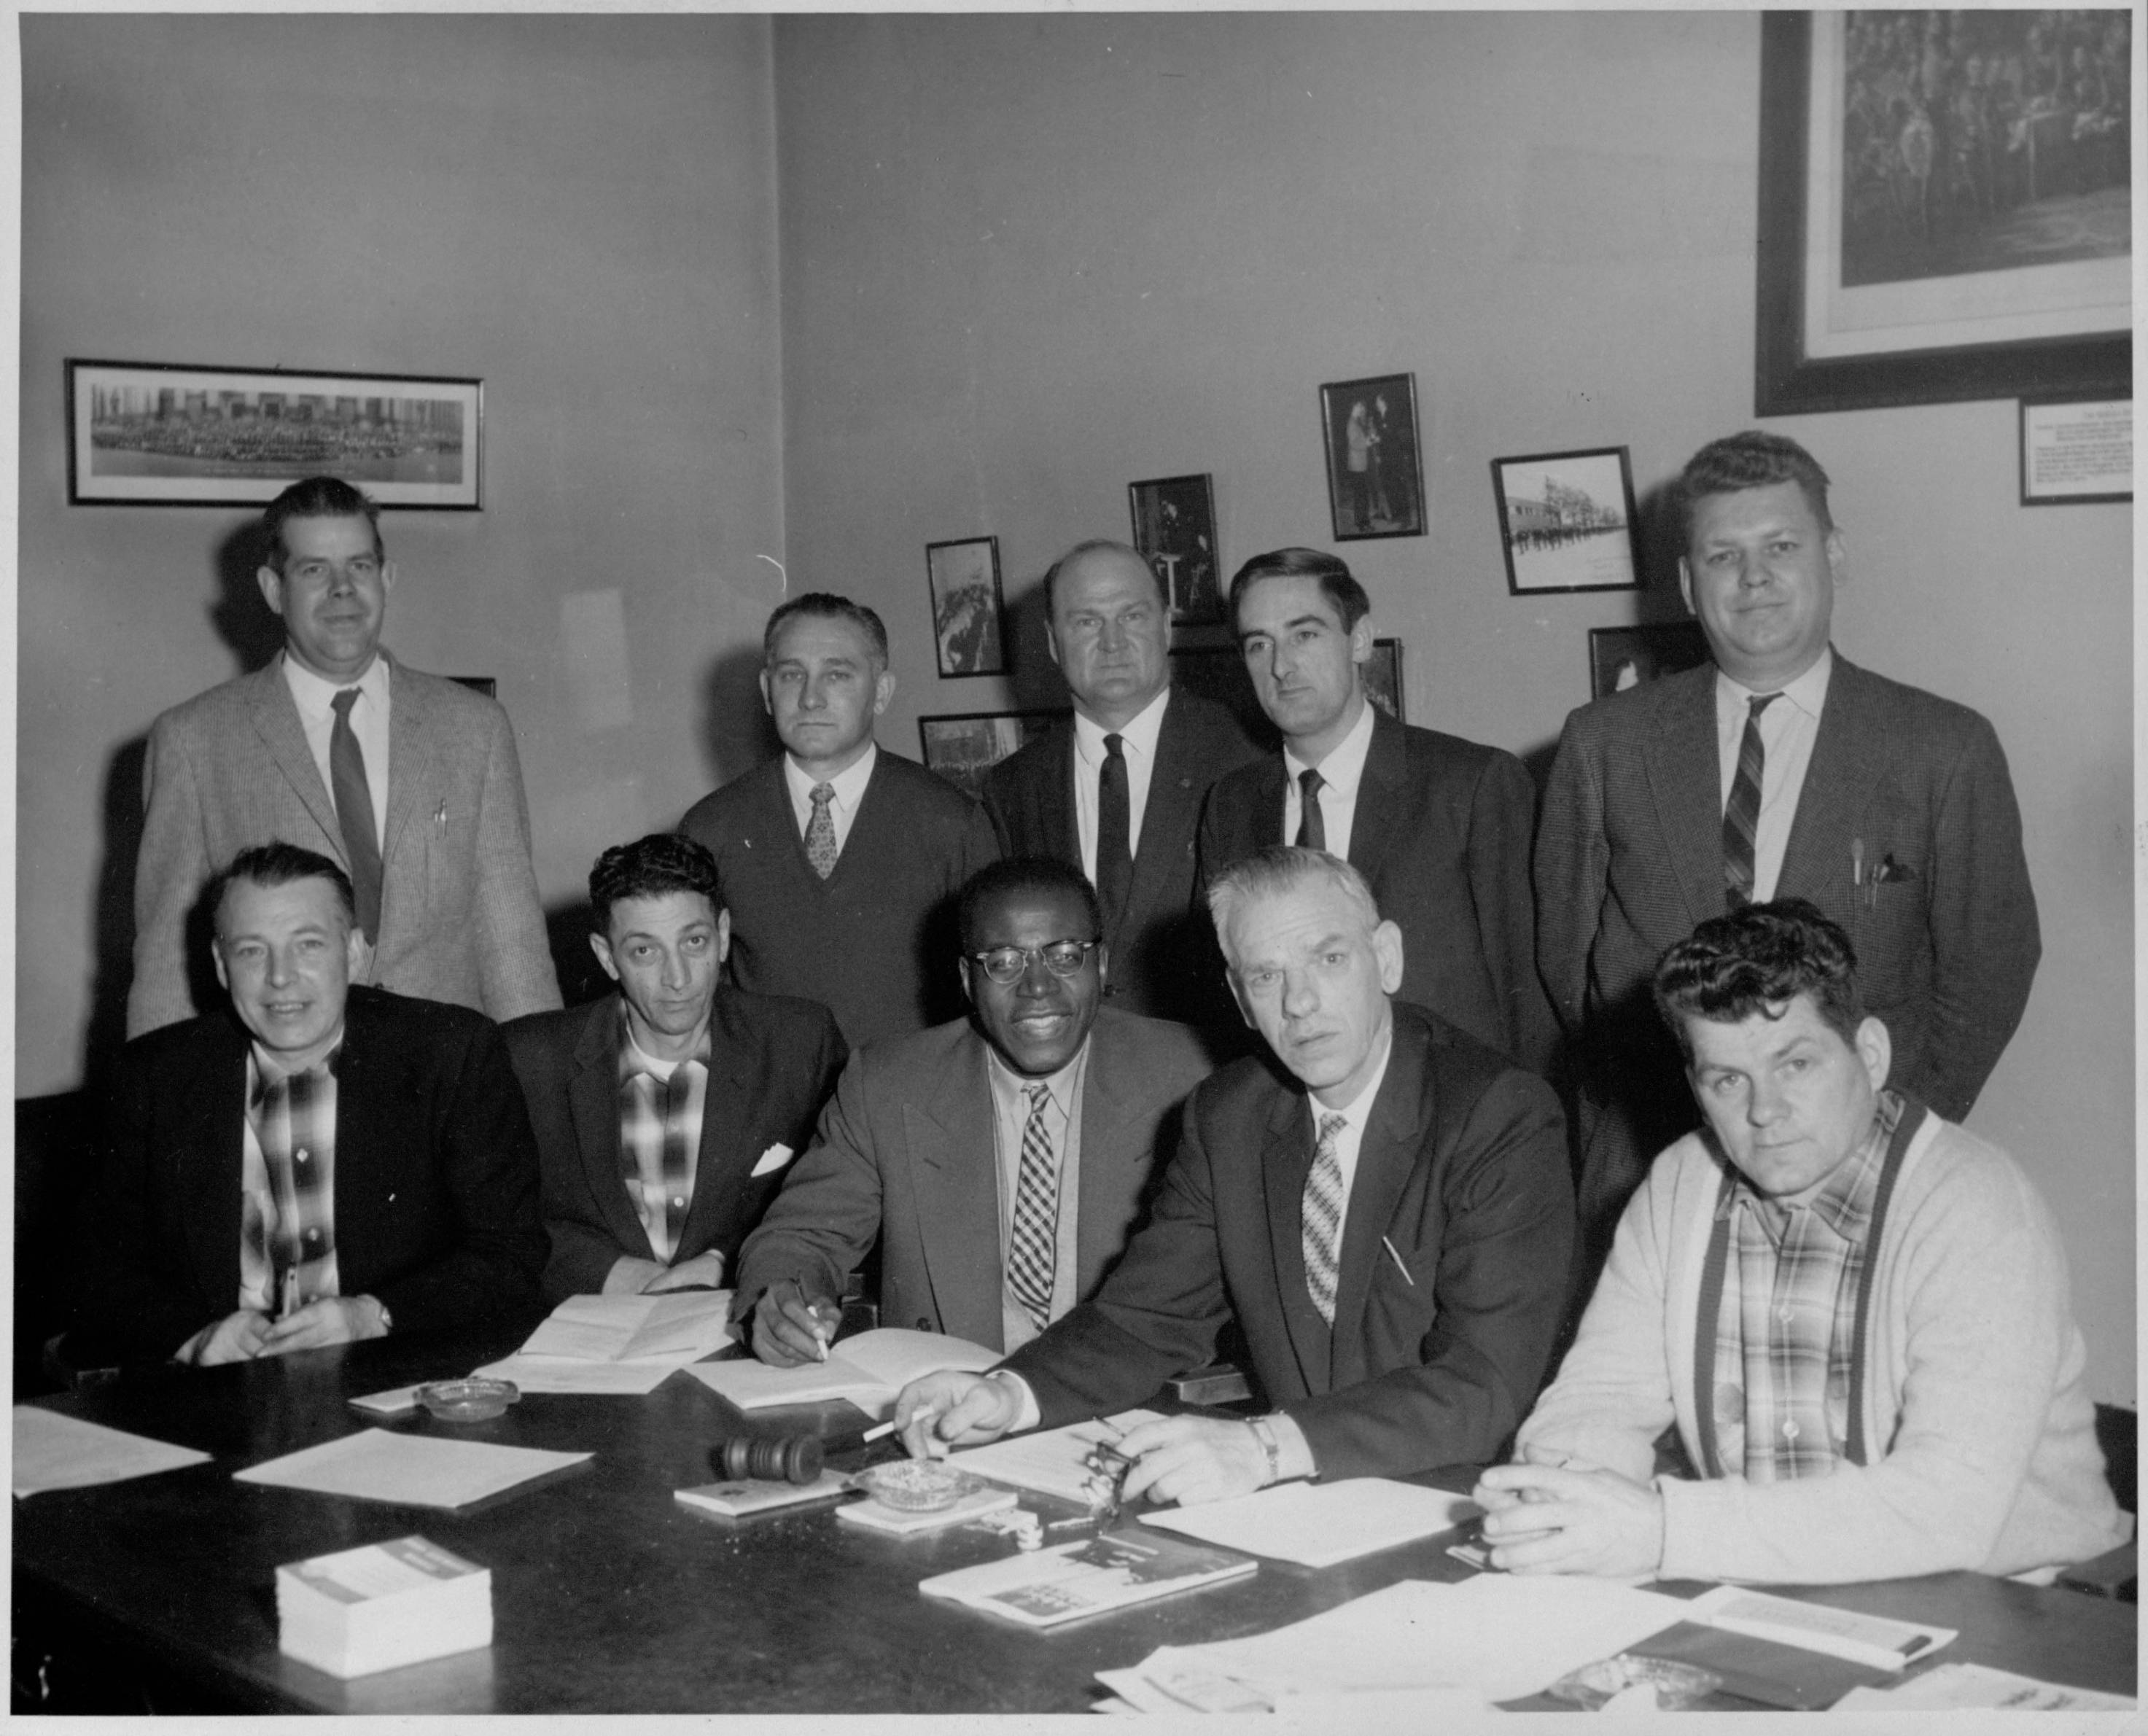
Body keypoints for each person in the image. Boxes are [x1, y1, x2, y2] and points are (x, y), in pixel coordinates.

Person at [892, 848, 1573, 1504]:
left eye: (1328, 960)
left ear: (1386, 958)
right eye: (1266, 976)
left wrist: (1264, 1447)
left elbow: (1482, 1383)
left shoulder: (1495, 1114)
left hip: (1458, 1500)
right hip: (1294, 1505)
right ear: (1240, 1000)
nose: (1300, 1003)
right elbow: (1146, 1318)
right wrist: (1007, 1393)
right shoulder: (1230, 1115)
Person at [1475, 900, 2125, 1585]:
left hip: (2025, 1603)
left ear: (1869, 1054)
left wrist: (1662, 1530)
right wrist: (1559, 1494)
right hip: (1777, 1587)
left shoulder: (1977, 1206)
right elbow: (1600, 1398)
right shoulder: (1679, 1186)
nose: (1764, 1110)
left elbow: (1950, 1507)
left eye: (1796, 1065)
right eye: (1729, 1080)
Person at [1536, 432, 2040, 1266]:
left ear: (1833, 554)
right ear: (1689, 585)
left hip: (1863, 1177)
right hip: (1651, 1168)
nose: (1754, 576)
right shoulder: (1604, 744)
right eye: (1723, 555)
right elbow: (1564, 958)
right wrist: (1639, 1107)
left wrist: (1883, 1126)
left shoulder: (1942, 748)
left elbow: (1989, 971)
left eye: (1780, 546)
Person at [72, 842, 547, 1367]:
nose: (281, 977)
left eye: (308, 945)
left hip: (398, 1372)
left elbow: (511, 1252)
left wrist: (374, 1315)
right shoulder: (151, 1077)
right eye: (252, 950)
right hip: (223, 1390)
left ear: (354, 953)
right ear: (221, 966)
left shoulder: (450, 1052)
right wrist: (196, 1338)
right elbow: (93, 1272)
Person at [128, 475, 560, 1038]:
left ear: (387, 579)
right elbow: (165, 970)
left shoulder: (473, 729)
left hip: (443, 1083)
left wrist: (541, 1092)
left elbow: (513, 943)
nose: (341, 589)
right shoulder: (194, 740)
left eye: (358, 566)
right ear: (272, 589)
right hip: (280, 1083)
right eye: (313, 570)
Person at [731, 857, 1213, 1361]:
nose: (1038, 987)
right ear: (967, 978)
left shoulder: (1191, 1076)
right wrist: (784, 1298)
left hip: (1136, 1404)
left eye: (1066, 955)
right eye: (1004, 962)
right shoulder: (886, 1085)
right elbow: (802, 1236)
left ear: (1103, 964)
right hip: (951, 1405)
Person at [1200, 548, 1554, 1077]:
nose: (1281, 665)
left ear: (1360, 638)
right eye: (1259, 644)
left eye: (1305, 634)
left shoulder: (1471, 784)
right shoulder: (1232, 804)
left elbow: (1532, 1002)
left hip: (1456, 1124)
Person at [502, 834, 847, 1304]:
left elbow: (840, 1198)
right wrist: (612, 1273)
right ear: (607, 957)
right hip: (591, 1330)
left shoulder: (800, 1042)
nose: (678, 978)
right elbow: (498, 1219)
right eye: (645, 951)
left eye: (694, 942)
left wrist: (727, 1260)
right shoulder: (531, 1058)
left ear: (723, 936)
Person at [679, 592, 999, 1048]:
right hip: (771, 1105)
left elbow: (990, 990)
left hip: (910, 1102)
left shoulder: (952, 822)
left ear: (882, 692)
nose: (811, 698)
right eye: (792, 675)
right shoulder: (713, 828)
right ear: (768, 692)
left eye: (837, 674)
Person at [981, 540, 1259, 1025]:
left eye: (1132, 616)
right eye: (1087, 621)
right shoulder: (1012, 789)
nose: (1112, 641)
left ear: (1166, 625)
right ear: (1052, 642)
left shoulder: (1244, 759)